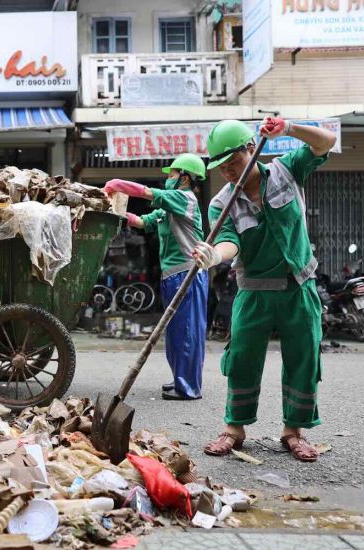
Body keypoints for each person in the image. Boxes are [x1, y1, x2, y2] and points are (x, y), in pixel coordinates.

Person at [193, 117, 337, 462]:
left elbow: (326, 141)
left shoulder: (286, 171)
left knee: (303, 357)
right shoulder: (221, 203)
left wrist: (288, 129)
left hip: (298, 286)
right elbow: (230, 243)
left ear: (250, 150)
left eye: (234, 162)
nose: (228, 171)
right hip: (254, 291)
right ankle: (234, 428)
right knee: (242, 358)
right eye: (221, 167)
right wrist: (214, 255)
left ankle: (294, 431)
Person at [104, 153, 209, 400]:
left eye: (172, 174)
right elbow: (142, 221)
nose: (168, 179)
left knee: (187, 331)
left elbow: (148, 193)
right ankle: (180, 379)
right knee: (175, 332)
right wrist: (115, 213)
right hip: (172, 275)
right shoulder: (169, 208)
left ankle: (189, 387)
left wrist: (118, 184)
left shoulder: (184, 198)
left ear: (185, 178)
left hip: (188, 273)